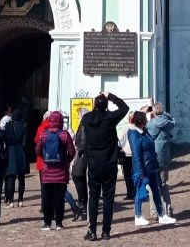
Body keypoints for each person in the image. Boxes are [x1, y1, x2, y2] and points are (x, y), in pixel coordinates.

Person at [79, 91, 128, 242]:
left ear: (94, 105)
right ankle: (106, 231)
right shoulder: (109, 118)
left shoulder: (86, 119)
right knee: (108, 198)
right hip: (109, 163)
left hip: (93, 164)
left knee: (93, 198)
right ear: (106, 106)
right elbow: (124, 108)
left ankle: (92, 230)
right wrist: (111, 96)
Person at [127, 110, 175, 226]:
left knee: (156, 191)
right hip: (142, 168)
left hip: (152, 165)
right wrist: (140, 172)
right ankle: (138, 216)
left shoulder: (145, 131)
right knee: (140, 192)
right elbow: (137, 154)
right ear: (141, 121)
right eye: (145, 120)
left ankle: (162, 215)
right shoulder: (133, 134)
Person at [34, 110, 75, 231]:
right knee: (59, 197)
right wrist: (66, 160)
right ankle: (59, 223)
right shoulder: (64, 134)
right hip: (61, 171)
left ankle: (47, 223)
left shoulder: (44, 134)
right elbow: (72, 151)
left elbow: (37, 150)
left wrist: (45, 158)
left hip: (47, 171)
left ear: (50, 121)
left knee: (47, 197)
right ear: (61, 121)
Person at [145, 102, 176, 220]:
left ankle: (155, 212)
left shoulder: (151, 124)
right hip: (164, 156)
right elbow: (174, 121)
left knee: (153, 185)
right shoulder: (167, 123)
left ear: (153, 112)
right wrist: (165, 114)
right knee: (164, 184)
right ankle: (167, 209)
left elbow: (146, 135)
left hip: (153, 157)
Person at [4, 108, 30, 207]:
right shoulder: (25, 125)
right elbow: (26, 141)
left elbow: (6, 139)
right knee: (21, 178)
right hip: (22, 152)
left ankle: (10, 201)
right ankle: (20, 200)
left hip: (11, 152)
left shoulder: (9, 125)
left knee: (11, 177)